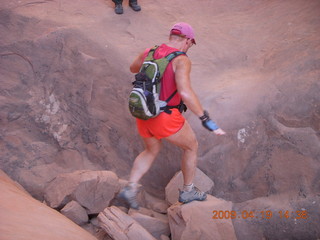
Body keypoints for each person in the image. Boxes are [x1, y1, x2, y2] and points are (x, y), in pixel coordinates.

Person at [118, 22, 226, 209]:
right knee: (191, 146)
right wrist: (204, 117)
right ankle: (188, 190)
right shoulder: (181, 60)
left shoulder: (150, 51)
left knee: (151, 150)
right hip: (164, 116)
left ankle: (130, 187)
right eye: (191, 44)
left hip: (144, 113)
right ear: (188, 40)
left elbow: (133, 68)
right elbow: (185, 93)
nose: (190, 47)